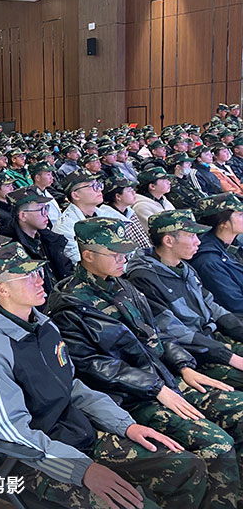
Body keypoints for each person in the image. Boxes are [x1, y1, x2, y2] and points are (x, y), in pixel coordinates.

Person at [0, 242, 208, 509]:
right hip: (36, 460)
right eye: (27, 276)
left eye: (37, 272)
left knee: (188, 467)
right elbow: (12, 430)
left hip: (78, 434)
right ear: (2, 289)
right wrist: (81, 469)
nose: (39, 281)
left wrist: (124, 424)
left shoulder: (43, 324)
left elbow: (72, 387)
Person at [47, 217, 243, 508]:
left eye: (124, 251)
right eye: (114, 253)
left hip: (164, 379)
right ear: (87, 255)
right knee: (217, 444)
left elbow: (157, 334)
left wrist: (184, 365)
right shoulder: (69, 305)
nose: (123, 258)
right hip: (133, 397)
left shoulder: (123, 287)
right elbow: (93, 365)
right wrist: (155, 388)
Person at [126, 210, 243, 388]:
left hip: (213, 339)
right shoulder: (144, 278)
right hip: (194, 354)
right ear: (168, 240)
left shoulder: (183, 267)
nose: (198, 241)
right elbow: (173, 330)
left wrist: (238, 330)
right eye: (191, 236)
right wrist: (229, 356)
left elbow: (210, 304)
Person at [7, 187, 73, 295]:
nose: (46, 213)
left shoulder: (48, 239)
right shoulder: (12, 248)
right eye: (40, 209)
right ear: (23, 215)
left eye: (46, 208)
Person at [190, 193, 243, 314]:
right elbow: (235, 303)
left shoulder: (232, 244)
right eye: (240, 215)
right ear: (222, 223)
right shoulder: (209, 261)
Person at [52, 172, 114, 265]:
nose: (99, 189)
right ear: (76, 195)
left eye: (98, 185)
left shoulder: (106, 214)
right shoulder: (65, 228)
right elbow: (83, 263)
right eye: (92, 186)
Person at [101, 176, 151, 250]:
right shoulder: (108, 219)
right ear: (118, 196)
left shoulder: (130, 212)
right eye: (129, 190)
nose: (134, 193)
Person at [133, 167, 176, 235]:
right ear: (152, 186)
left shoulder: (163, 200)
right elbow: (158, 233)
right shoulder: (141, 207)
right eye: (164, 180)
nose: (169, 182)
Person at [29, 160, 62, 228]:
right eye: (48, 175)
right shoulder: (32, 197)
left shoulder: (45, 191)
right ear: (37, 178)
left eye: (51, 174)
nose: (51, 177)